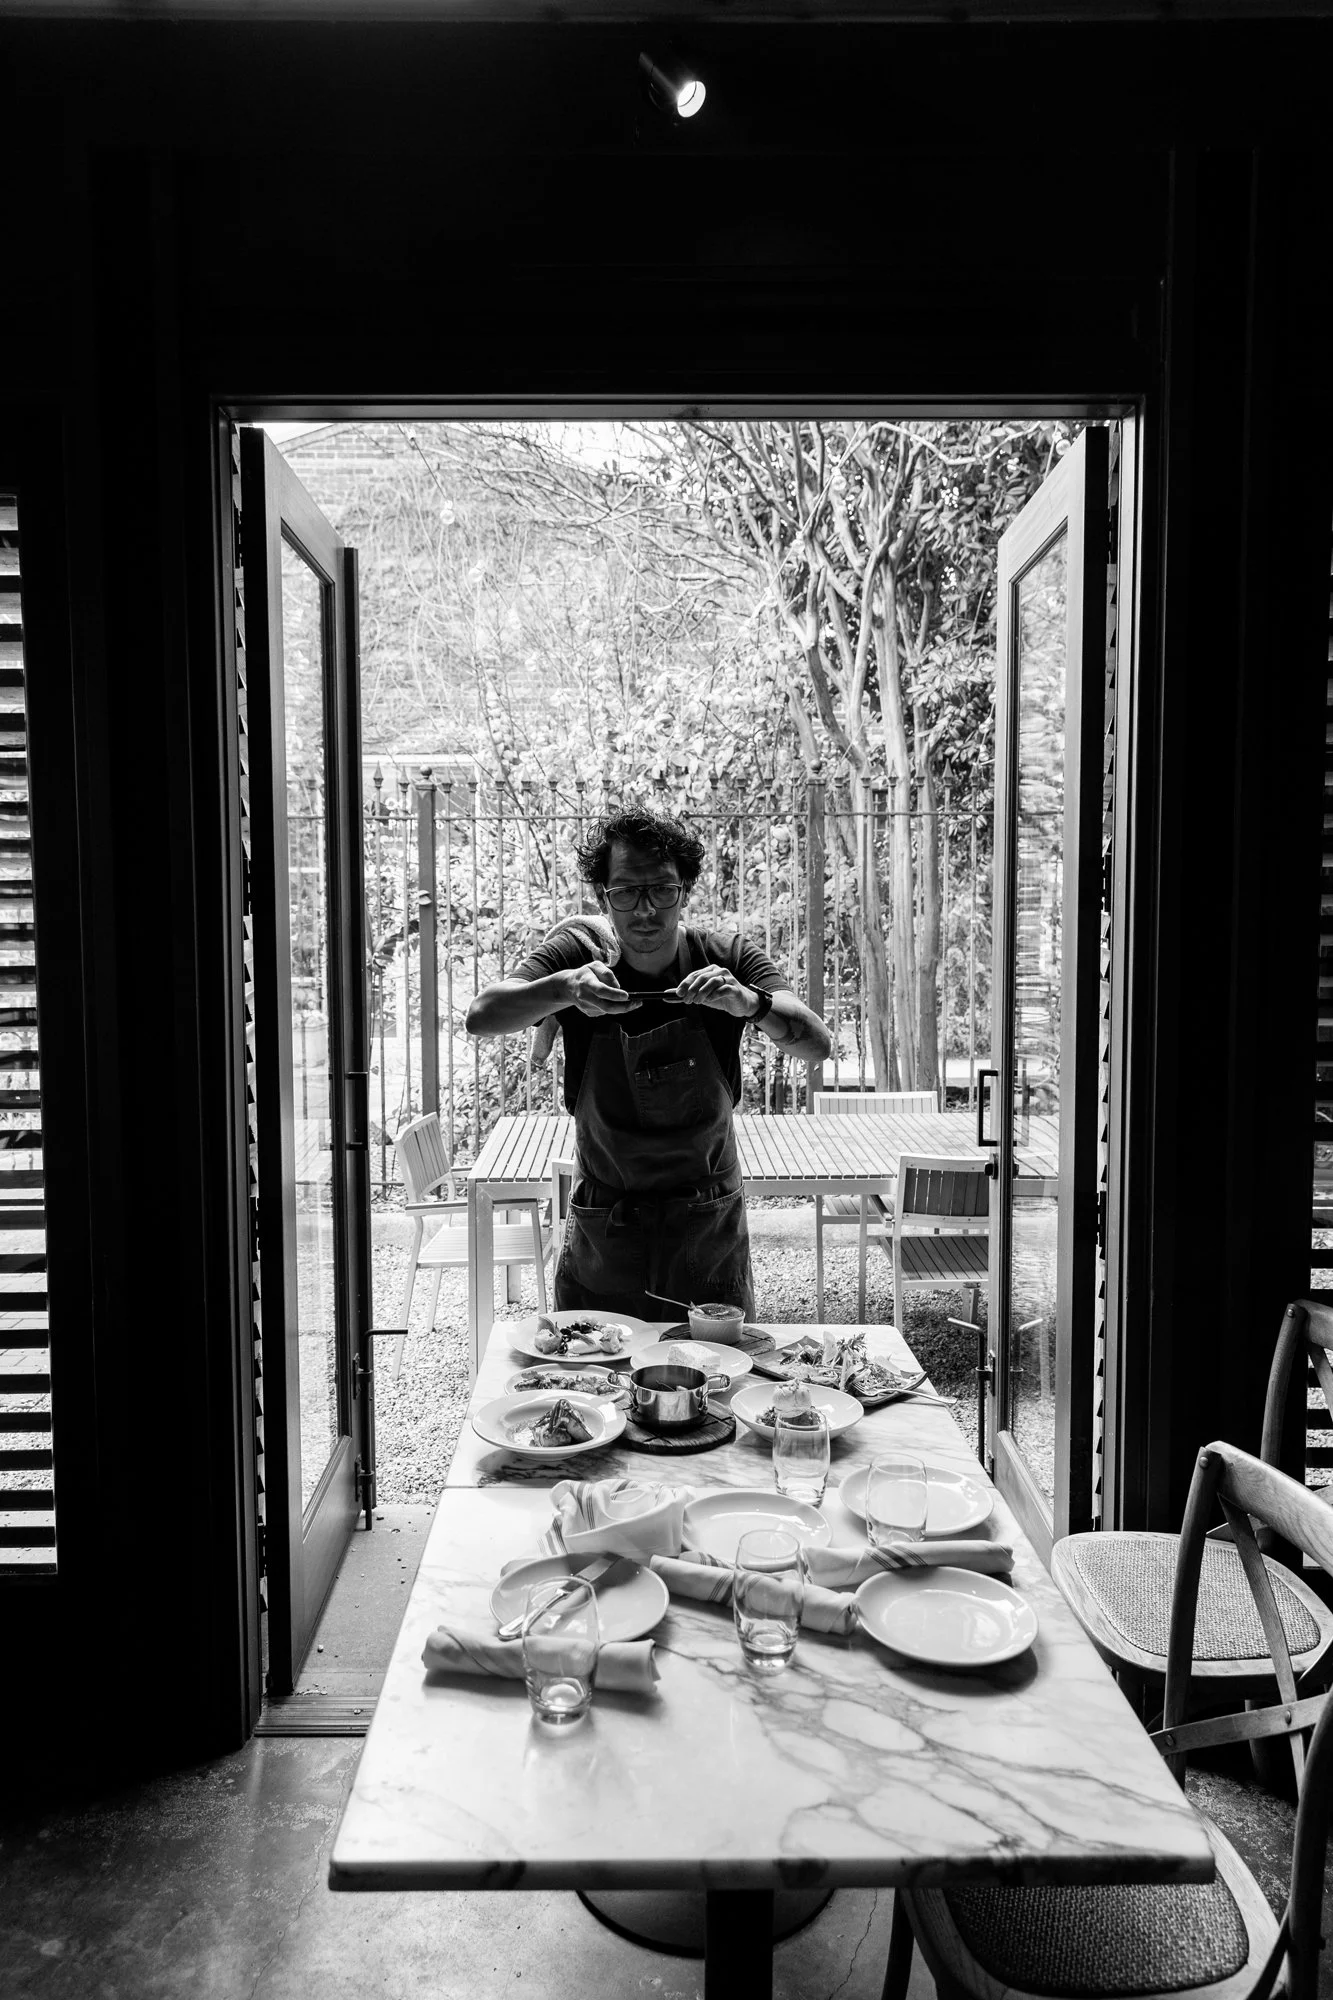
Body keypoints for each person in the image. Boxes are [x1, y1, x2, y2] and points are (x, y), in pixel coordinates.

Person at [466, 802, 832, 1321]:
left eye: (663, 889)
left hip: (706, 1229)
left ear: (684, 891)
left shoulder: (724, 958)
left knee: (714, 1385)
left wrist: (751, 1004)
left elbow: (817, 1044)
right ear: (602, 896)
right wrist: (565, 988)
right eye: (626, 892)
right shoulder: (576, 957)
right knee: (594, 1380)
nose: (645, 909)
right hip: (607, 1230)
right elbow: (481, 1017)